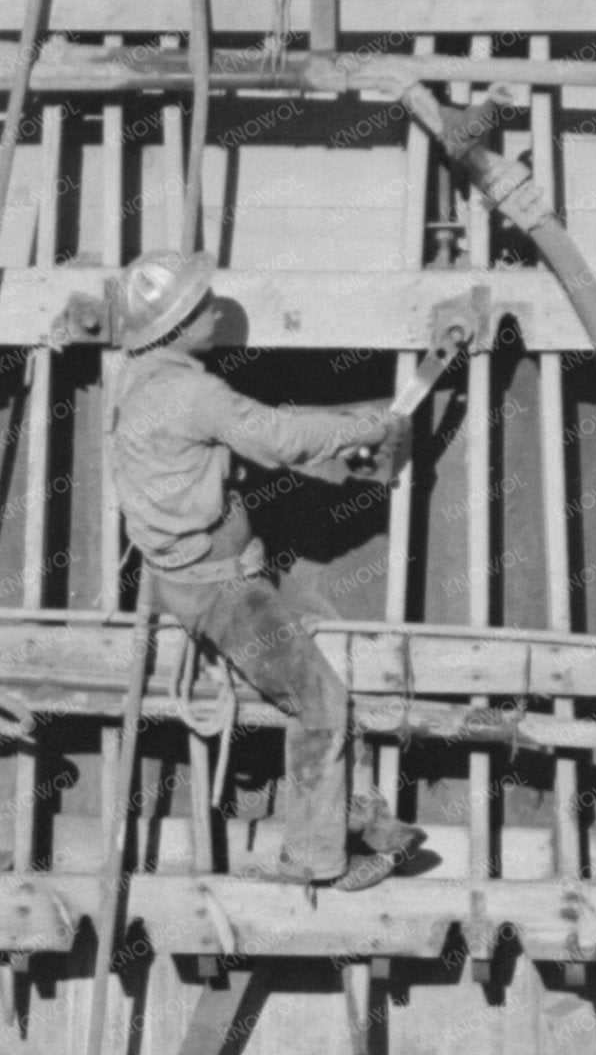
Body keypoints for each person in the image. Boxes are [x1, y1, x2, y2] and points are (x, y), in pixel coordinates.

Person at [102, 251, 423, 891]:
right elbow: (277, 437)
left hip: (189, 576)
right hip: (221, 591)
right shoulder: (192, 391)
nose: (216, 312)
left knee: (315, 665)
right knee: (322, 702)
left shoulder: (134, 375)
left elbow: (211, 447)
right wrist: (371, 426)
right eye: (203, 306)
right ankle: (312, 857)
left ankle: (348, 813)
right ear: (177, 324)